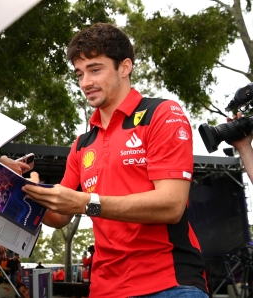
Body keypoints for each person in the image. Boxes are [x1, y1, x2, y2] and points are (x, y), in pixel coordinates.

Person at [22, 23, 207, 297]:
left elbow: (171, 205)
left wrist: (86, 203)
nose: (85, 83)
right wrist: (17, 191)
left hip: (168, 284)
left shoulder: (163, 113)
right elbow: (59, 215)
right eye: (79, 74)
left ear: (124, 67)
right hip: (104, 289)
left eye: (95, 69)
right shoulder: (82, 144)